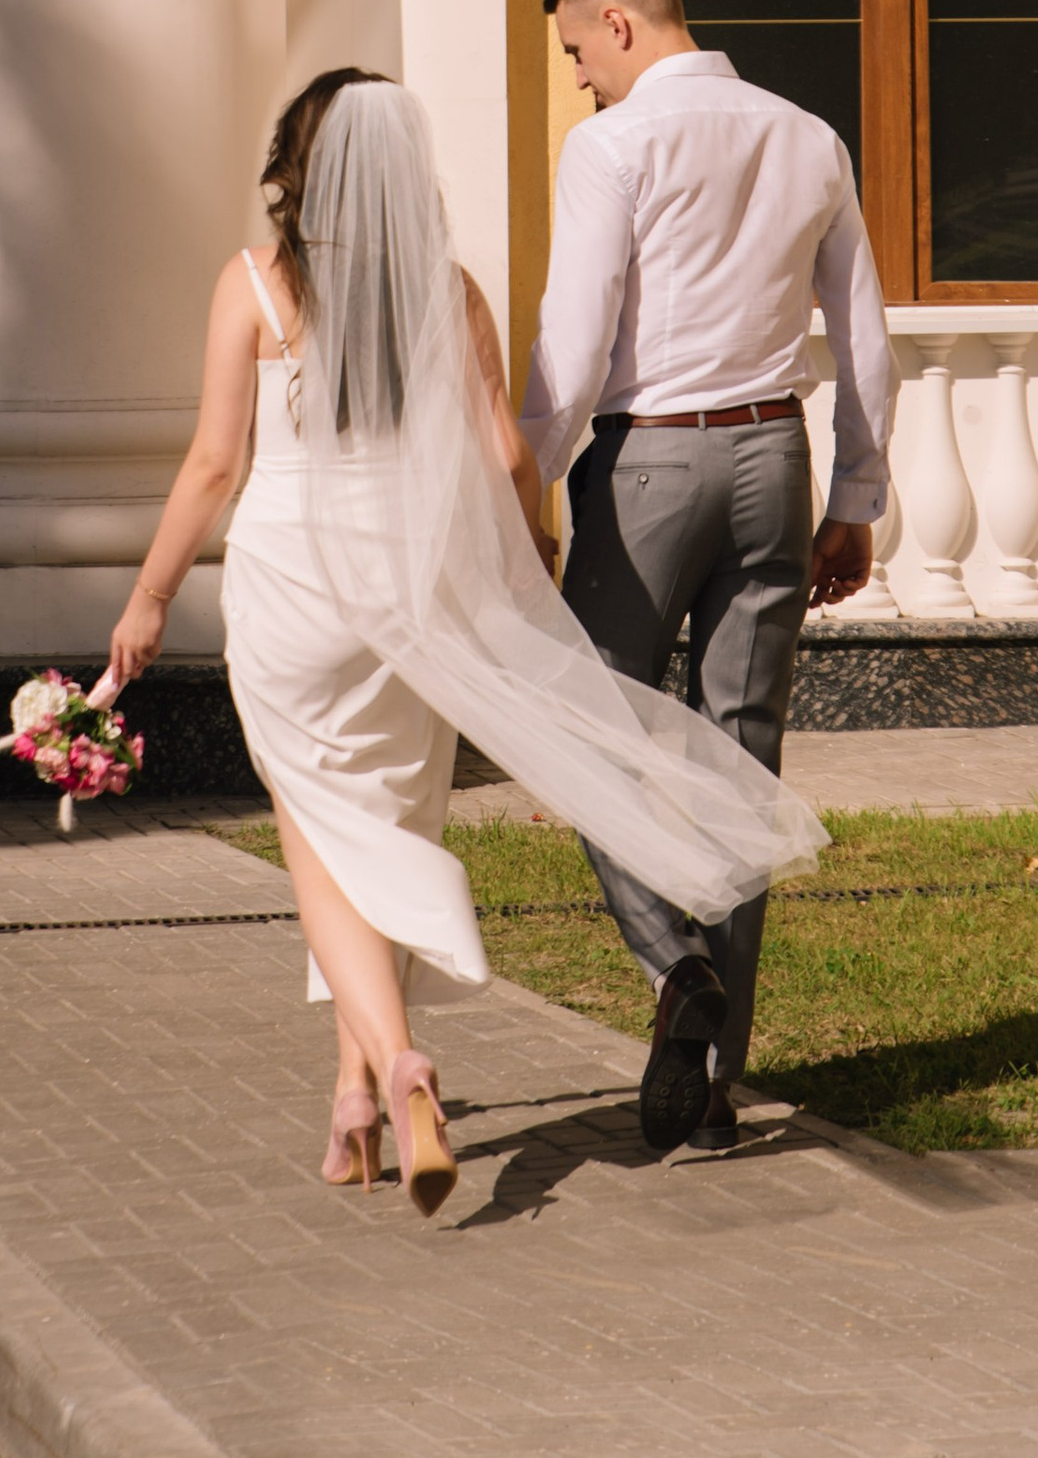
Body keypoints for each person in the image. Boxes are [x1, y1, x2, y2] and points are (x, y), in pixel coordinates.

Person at [106, 69, 824, 1219]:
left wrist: (146, 598)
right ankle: (350, 1095)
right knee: (385, 821)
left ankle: (394, 1066)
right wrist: (518, 558)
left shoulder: (254, 286)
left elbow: (213, 465)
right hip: (412, 598)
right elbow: (506, 457)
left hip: (292, 589)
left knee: (322, 834)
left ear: (299, 165)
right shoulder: (449, 292)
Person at [521, 0, 897, 1157]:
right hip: (773, 461)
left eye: (579, 51)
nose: (582, 77)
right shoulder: (807, 133)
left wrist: (519, 480)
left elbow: (573, 350)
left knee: (583, 723)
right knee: (741, 761)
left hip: (648, 464)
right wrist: (856, 495)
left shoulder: (613, 144)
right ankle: (716, 1090)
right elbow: (863, 329)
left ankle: (674, 964)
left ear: (620, 23)